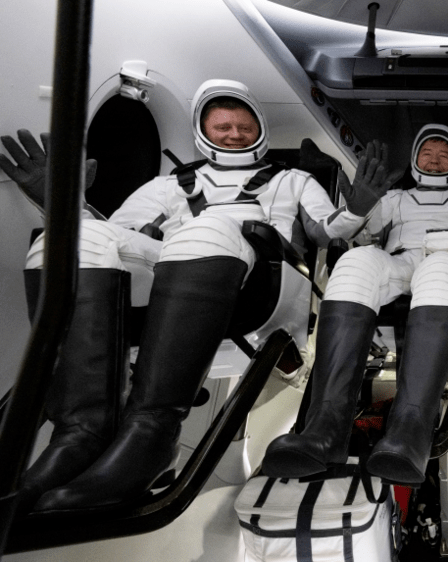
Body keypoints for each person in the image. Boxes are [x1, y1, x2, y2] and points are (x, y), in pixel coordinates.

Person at [0, 79, 368, 512]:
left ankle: (153, 433)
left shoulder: (292, 180)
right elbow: (114, 239)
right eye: (222, 126)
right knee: (68, 238)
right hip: (178, 275)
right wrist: (64, 205)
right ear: (202, 131)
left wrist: (359, 206)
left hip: (266, 284)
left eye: (243, 126)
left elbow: (325, 229)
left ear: (259, 129)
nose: (233, 134)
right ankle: (81, 433)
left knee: (204, 228)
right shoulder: (166, 187)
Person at [261, 124, 448, 485]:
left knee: (439, 267)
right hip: (399, 262)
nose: (435, 162)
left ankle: (410, 433)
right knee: (354, 263)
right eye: (428, 154)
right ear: (415, 159)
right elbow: (360, 233)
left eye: (443, 155)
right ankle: (325, 429)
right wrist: (362, 200)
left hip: (447, 261)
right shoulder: (397, 198)